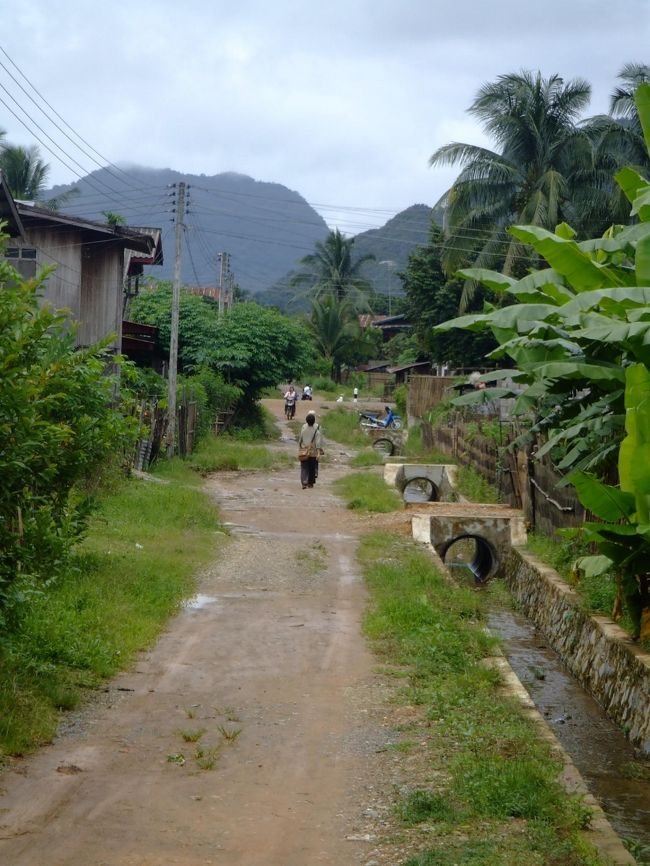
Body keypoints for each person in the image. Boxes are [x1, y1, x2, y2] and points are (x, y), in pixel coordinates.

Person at [298, 410, 323, 489]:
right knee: (312, 468)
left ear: (306, 421)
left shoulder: (304, 429)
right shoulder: (317, 432)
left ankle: (303, 482)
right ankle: (310, 483)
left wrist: (300, 449)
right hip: (312, 453)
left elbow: (300, 440)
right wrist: (318, 453)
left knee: (304, 467)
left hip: (305, 451)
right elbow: (318, 444)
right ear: (314, 421)